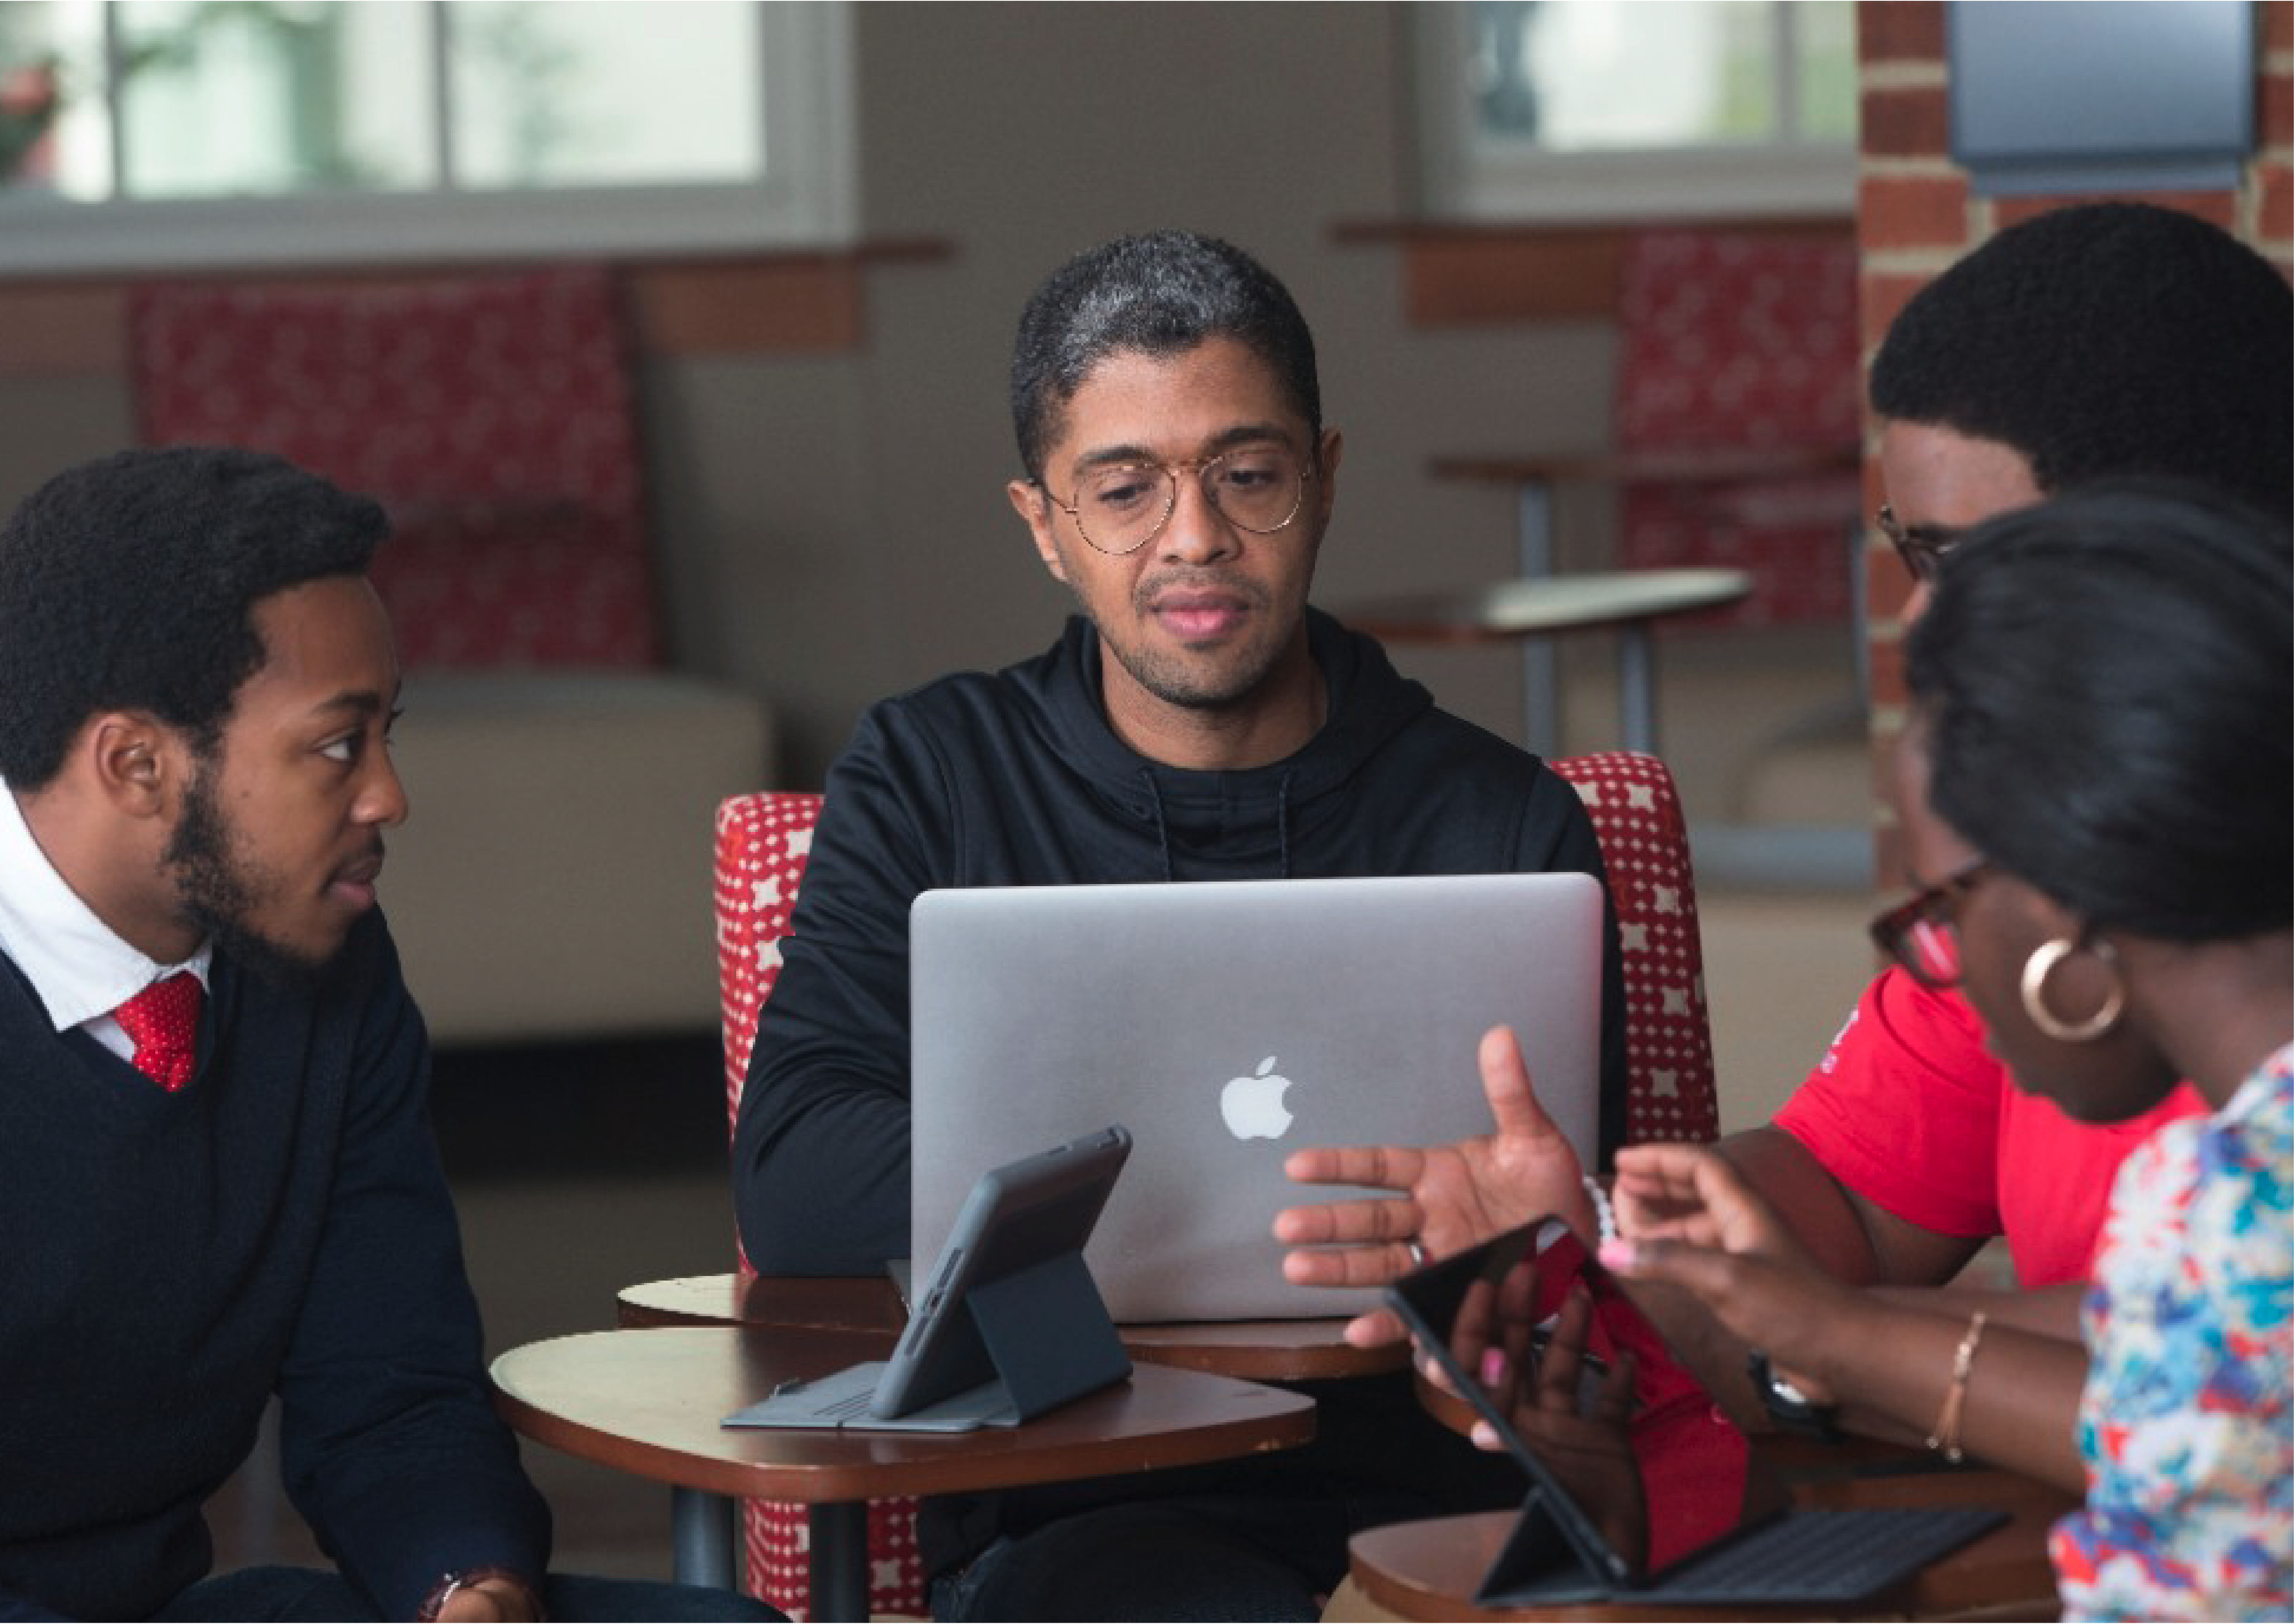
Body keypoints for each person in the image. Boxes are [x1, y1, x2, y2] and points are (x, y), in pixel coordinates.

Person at [730, 228, 1627, 1619]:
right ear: (1043, 524)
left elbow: (1581, 1252)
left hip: (1449, 1499)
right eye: (1126, 489)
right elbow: (792, 1179)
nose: (1194, 538)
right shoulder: (931, 776)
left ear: (1324, 481)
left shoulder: (1502, 825)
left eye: (1247, 477)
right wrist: (1157, 1157)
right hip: (1084, 1516)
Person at [1276, 201, 2294, 1365]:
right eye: (1909, 553)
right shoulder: (2048, 855)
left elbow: (2233, 1342)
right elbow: (1848, 1196)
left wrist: (1837, 1346)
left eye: (1962, 560)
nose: (1919, 619)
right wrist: (1590, 1240)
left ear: (2189, 540)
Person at [0, 447, 774, 1623]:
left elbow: (391, 1396)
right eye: (340, 744)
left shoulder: (327, 975)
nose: (390, 795)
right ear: (137, 765)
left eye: (387, 734)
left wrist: (467, 1593)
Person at [1604, 483, 2291, 1622]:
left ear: (2062, 908)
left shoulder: (2220, 1205)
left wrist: (1831, 1339)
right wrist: (1825, 1332)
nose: (1941, 967)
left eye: (1943, 909)